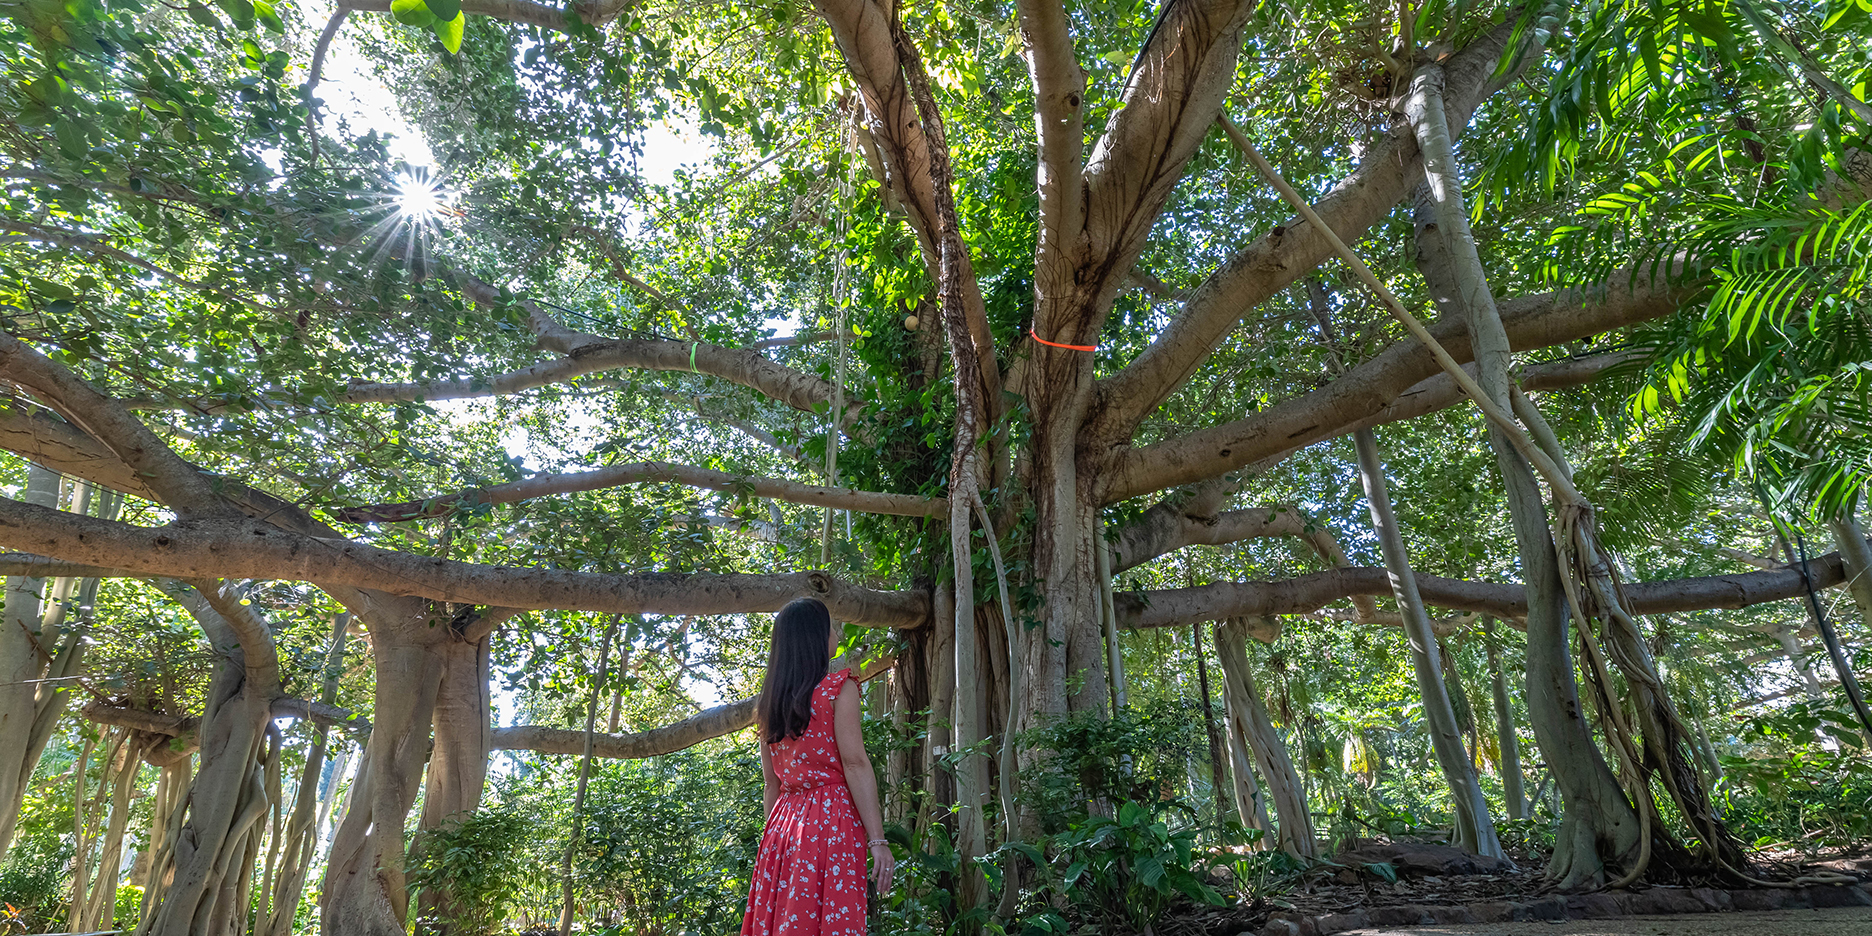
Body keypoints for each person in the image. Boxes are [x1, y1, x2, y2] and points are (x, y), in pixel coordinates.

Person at [740, 597, 894, 936]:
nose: (836, 631)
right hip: (830, 820)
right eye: (830, 626)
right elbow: (854, 763)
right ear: (816, 637)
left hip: (782, 827)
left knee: (788, 918)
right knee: (830, 919)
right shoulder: (838, 689)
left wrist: (774, 849)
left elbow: (771, 785)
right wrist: (878, 842)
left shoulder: (768, 704)